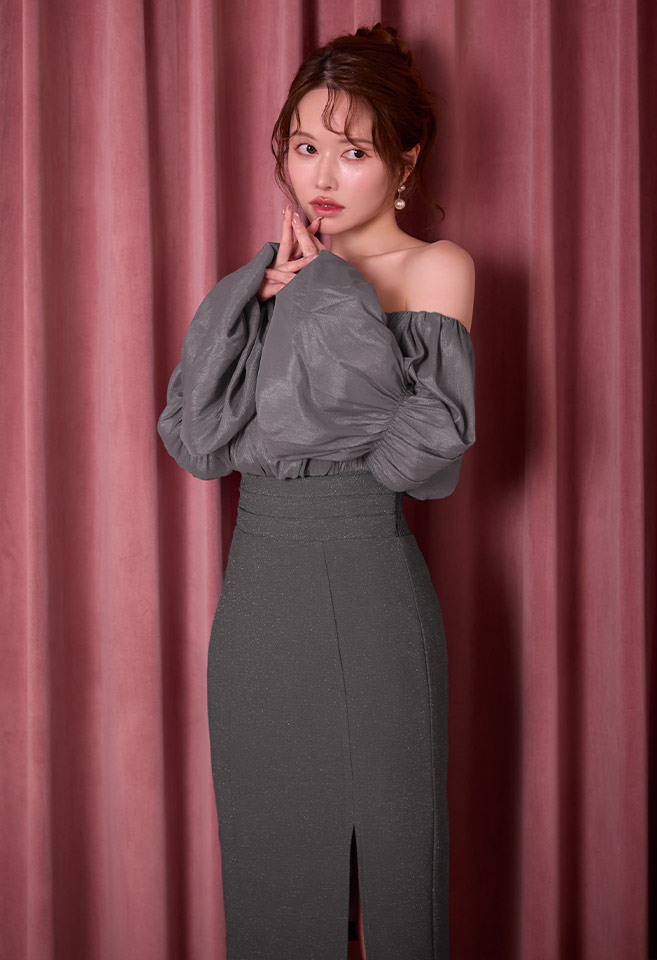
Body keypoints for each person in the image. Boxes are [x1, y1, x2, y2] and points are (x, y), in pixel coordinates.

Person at [157, 22, 476, 960]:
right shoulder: (264, 285)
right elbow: (199, 443)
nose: (323, 176)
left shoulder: (436, 268)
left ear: (405, 161)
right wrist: (259, 302)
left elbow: (421, 459)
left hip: (373, 591)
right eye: (305, 147)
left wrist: (328, 295)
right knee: (273, 885)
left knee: (399, 885)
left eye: (355, 151)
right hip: (259, 606)